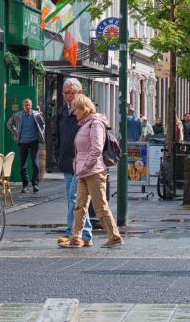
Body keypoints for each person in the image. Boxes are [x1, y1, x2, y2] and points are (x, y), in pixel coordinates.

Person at [58, 94, 122, 248]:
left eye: (76, 110)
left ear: (84, 109)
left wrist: (84, 166)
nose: (74, 113)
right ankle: (76, 238)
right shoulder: (85, 124)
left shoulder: (95, 124)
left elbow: (96, 149)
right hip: (83, 172)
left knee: (100, 207)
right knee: (79, 206)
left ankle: (114, 237)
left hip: (94, 172)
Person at [54, 80, 93, 246]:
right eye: (66, 93)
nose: (68, 97)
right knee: (77, 200)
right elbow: (56, 136)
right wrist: (57, 155)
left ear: (80, 92)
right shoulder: (62, 112)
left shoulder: (85, 114)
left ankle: (72, 233)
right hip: (67, 162)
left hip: (81, 164)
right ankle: (85, 234)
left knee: (74, 198)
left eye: (71, 93)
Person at [8, 98, 46, 193]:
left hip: (34, 142)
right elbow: (9, 124)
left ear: (31, 105)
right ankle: (25, 185)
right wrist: (15, 132)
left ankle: (35, 185)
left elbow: (43, 124)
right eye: (26, 105)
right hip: (23, 142)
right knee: (22, 166)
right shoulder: (17, 115)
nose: (27, 107)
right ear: (23, 106)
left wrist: (40, 133)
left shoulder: (36, 115)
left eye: (29, 105)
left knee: (35, 164)